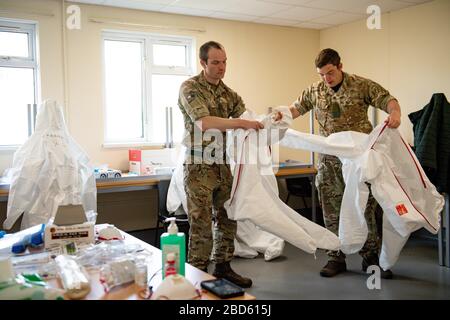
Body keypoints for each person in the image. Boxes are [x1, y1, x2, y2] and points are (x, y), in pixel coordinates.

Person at [281, 48, 401, 278]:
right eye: (322, 74)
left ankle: (371, 258)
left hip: (357, 159)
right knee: (331, 210)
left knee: (364, 207)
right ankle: (335, 258)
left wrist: (394, 114)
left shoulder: (360, 85)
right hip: (329, 161)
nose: (327, 78)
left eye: (330, 72)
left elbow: (388, 100)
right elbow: (295, 109)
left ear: (340, 66)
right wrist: (278, 117)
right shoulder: (314, 90)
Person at [177, 41, 263, 288]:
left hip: (222, 164)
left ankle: (223, 267)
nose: (221, 67)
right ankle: (197, 272)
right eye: (215, 62)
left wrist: (266, 121)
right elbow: (203, 122)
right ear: (203, 63)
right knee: (201, 220)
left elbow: (246, 118)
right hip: (198, 165)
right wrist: (240, 124)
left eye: (224, 62)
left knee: (228, 216)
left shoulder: (230, 95)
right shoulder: (190, 88)